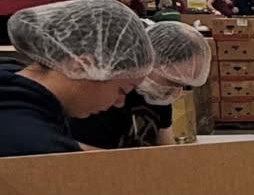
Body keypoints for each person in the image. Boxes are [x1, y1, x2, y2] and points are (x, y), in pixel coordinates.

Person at [0, 0, 154, 157]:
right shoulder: (32, 146)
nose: (119, 103)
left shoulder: (13, 81)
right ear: (82, 66)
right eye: (122, 90)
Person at [71, 22, 211, 149]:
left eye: (182, 85)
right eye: (171, 82)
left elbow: (166, 145)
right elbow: (89, 157)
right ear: (152, 61)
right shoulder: (106, 98)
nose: (174, 92)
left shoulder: (158, 96)